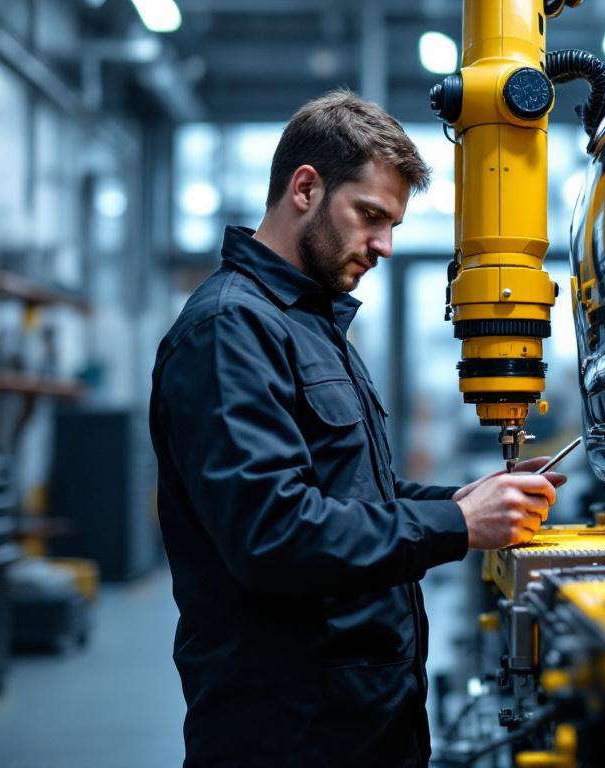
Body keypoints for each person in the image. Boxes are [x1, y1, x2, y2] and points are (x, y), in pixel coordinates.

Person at [148, 89, 565, 767]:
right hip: (291, 735)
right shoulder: (230, 330)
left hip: (364, 720)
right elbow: (273, 534)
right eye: (370, 216)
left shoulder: (313, 324)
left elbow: (351, 495)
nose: (385, 246)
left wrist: (464, 500)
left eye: (393, 224)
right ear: (305, 189)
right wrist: (457, 526)